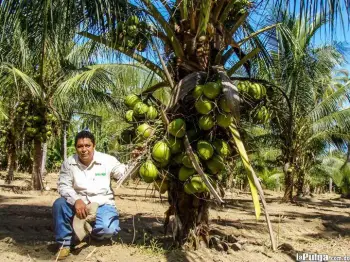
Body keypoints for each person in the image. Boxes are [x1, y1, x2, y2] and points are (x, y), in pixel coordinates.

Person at [52, 130, 128, 260]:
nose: (84, 149)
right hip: (78, 205)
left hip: (102, 204)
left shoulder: (107, 160)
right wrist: (76, 200)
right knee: (59, 204)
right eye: (80, 146)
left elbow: (123, 173)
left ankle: (91, 235)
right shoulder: (69, 163)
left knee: (108, 229)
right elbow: (64, 186)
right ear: (76, 148)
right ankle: (64, 244)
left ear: (94, 146)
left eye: (87, 145)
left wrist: (135, 163)